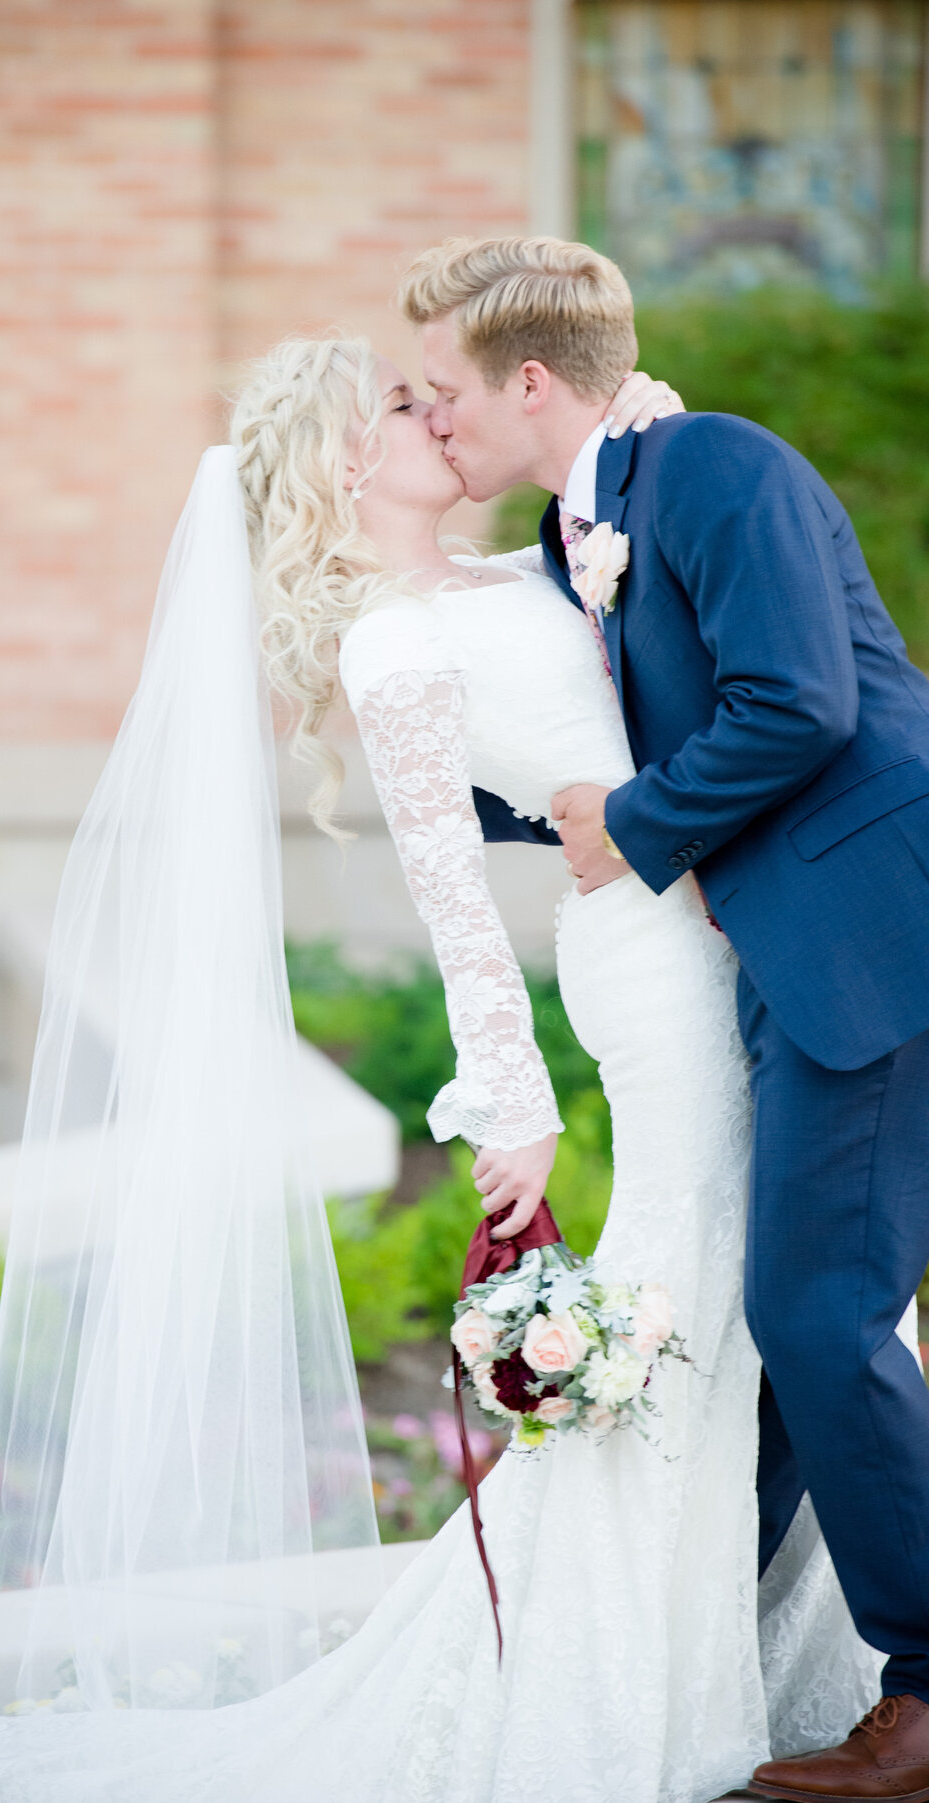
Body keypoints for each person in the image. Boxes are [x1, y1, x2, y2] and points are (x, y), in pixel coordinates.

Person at [0, 331, 872, 1803]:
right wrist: (511, 1104)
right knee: (683, 1288)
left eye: (434, 394)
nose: (435, 414)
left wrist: (635, 428)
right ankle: (606, 1683)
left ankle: (770, 1650)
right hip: (649, 971)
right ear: (339, 461)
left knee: (764, 1300)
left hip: (738, 932)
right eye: (399, 404)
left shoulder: (527, 570)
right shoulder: (391, 642)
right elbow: (452, 895)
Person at [399, 234, 929, 1803]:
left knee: (819, 1315)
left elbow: (801, 702)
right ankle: (704, 1650)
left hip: (872, 939)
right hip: (790, 954)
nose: (435, 423)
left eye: (445, 395)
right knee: (791, 1321)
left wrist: (629, 823)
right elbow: (610, 756)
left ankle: (924, 1690)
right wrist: (446, 798)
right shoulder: (593, 526)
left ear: (535, 383)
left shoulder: (712, 466)